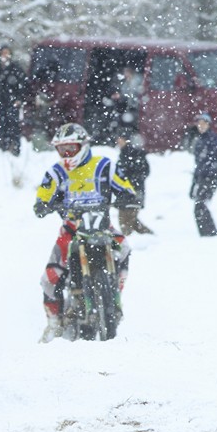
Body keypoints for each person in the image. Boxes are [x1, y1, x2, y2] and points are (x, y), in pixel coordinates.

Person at [33, 123, 136, 343]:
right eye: (62, 150)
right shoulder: (56, 172)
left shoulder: (104, 166)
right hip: (71, 230)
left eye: (70, 148)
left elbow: (125, 186)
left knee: (125, 247)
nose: (66, 154)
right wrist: (42, 204)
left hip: (102, 227)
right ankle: (54, 323)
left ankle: (114, 293)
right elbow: (43, 194)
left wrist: (129, 196)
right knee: (49, 278)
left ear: (82, 145)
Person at [189, 113, 217, 237]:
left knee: (200, 205)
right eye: (199, 123)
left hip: (210, 177)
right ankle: (208, 233)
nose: (201, 126)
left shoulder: (214, 139)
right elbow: (198, 165)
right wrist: (193, 184)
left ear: (209, 124)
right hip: (201, 177)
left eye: (204, 123)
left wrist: (211, 174)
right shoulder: (200, 140)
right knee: (200, 205)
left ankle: (209, 233)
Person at [0, 45, 28, 156]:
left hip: (13, 102)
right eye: (3, 53)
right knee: (1, 126)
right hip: (0, 102)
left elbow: (23, 84)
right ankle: (2, 148)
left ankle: (15, 148)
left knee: (14, 126)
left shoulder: (16, 67)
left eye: (7, 53)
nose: (5, 55)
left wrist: (19, 99)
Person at [114, 134, 154, 235]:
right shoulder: (123, 154)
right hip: (125, 192)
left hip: (133, 192)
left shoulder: (135, 154)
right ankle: (149, 236)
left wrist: (130, 180)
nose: (118, 142)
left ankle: (130, 239)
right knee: (131, 220)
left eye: (120, 139)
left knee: (125, 221)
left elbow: (144, 171)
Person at [111, 66, 143, 134]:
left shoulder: (136, 80)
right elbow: (125, 91)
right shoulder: (128, 81)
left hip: (137, 107)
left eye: (126, 72)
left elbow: (133, 93)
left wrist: (122, 95)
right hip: (131, 106)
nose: (125, 74)